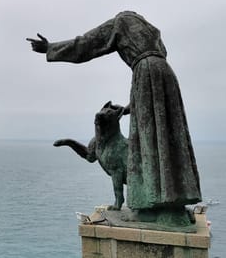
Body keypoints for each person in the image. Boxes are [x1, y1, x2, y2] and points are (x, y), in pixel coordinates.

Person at [27, 11, 201, 215]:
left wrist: (50, 48)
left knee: (148, 140)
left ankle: (157, 203)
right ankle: (172, 198)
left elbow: (87, 44)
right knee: (166, 135)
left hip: (146, 74)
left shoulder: (122, 21)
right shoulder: (152, 30)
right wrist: (128, 108)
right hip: (165, 76)